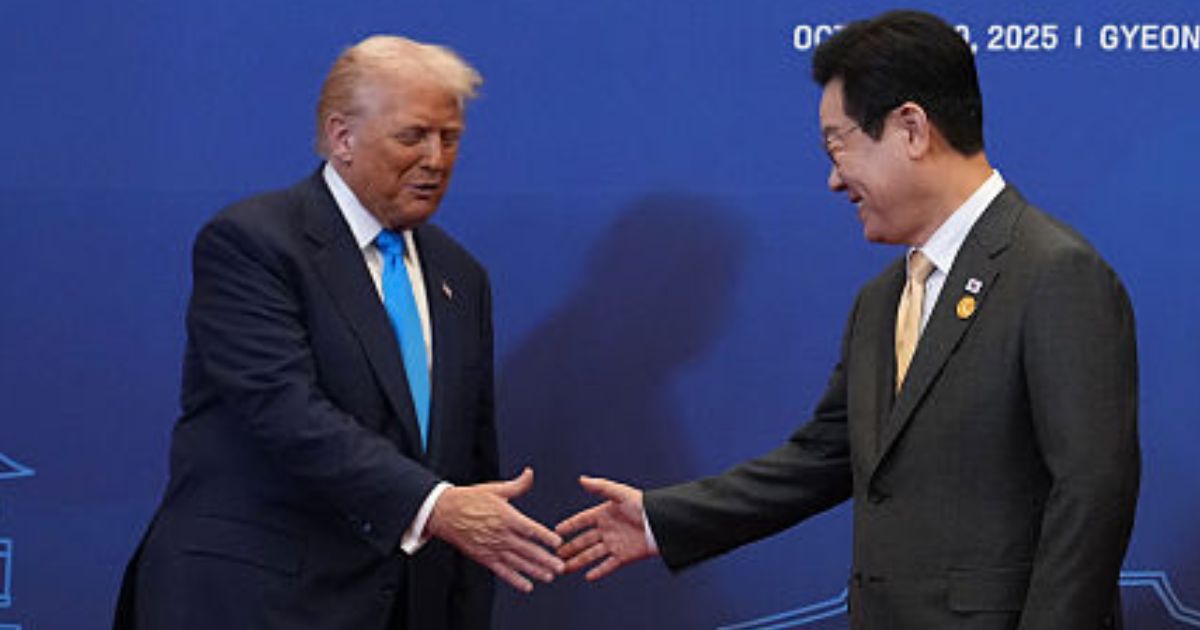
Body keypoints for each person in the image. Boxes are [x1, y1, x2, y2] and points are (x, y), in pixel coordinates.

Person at [556, 10, 1140, 629]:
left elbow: (1092, 494)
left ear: (911, 128)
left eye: (838, 144)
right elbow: (823, 457)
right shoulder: (881, 299)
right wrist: (662, 518)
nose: (833, 179)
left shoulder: (1054, 272)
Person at [113, 35, 563, 630]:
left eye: (449, 138)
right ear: (341, 137)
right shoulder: (254, 242)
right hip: (255, 601)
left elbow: (469, 459)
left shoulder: (461, 276)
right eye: (413, 136)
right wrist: (435, 507)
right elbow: (283, 410)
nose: (436, 158)